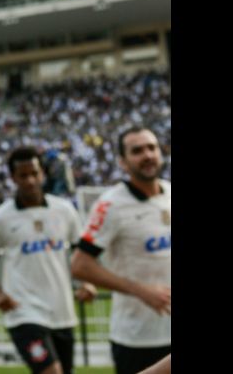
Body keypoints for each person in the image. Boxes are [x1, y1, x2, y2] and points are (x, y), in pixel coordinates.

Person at [0, 146, 96, 374]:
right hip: (24, 312)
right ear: (13, 178)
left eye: (34, 173)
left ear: (42, 174)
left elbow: (80, 254)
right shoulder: (0, 218)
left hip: (62, 312)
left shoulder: (64, 211)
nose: (30, 180)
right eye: (23, 175)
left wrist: (87, 283)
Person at [71, 126, 170, 374]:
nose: (147, 155)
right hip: (138, 339)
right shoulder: (110, 205)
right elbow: (80, 265)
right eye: (137, 151)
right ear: (123, 162)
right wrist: (141, 291)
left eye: (152, 148)